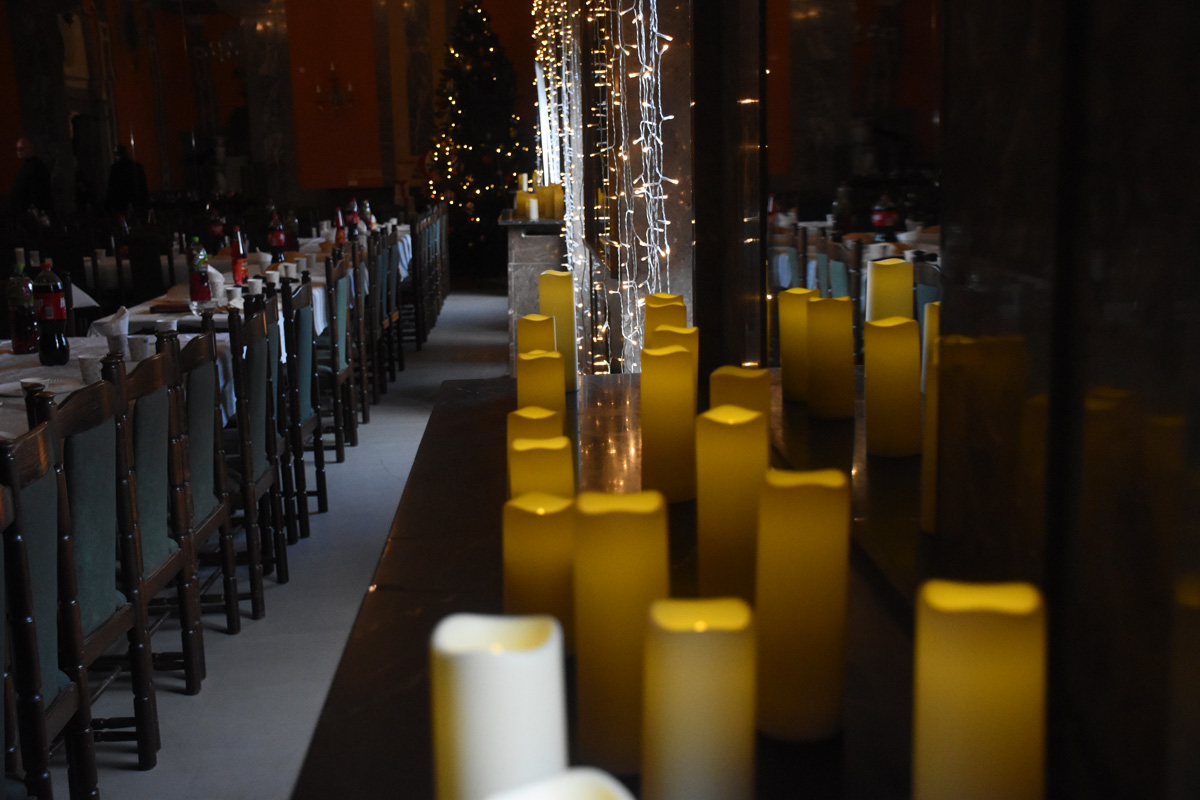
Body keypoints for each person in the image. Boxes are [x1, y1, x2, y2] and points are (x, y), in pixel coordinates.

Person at [10, 136, 54, 222]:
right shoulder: (27, 166)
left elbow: (38, 191)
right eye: (17, 149)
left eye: (21, 148)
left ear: (30, 148)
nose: (18, 151)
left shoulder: (36, 167)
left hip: (33, 214)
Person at [105, 144, 149, 219]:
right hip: (136, 200)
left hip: (121, 202)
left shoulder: (115, 168)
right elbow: (143, 186)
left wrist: (109, 204)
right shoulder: (137, 166)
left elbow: (112, 187)